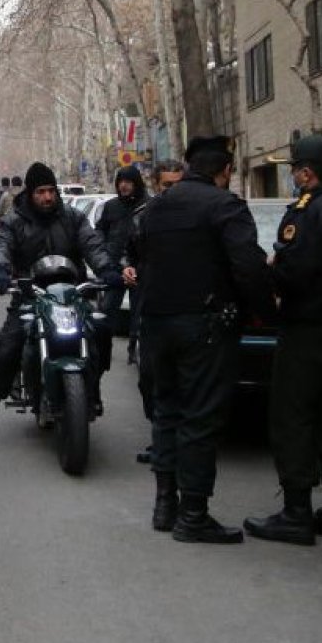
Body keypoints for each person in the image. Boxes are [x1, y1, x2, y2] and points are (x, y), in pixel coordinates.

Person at [126, 136, 274, 543]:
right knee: (199, 419)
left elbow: (141, 258)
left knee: (166, 412)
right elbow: (248, 266)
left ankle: (165, 506)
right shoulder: (225, 206)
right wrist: (267, 312)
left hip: (157, 325)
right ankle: (193, 514)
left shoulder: (155, 209)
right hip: (204, 327)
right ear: (225, 171)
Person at [0, 162, 116, 446]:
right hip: (31, 296)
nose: (47, 197)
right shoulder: (15, 220)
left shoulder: (73, 217)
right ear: (31, 193)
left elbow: (92, 245)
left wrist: (107, 269)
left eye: (51, 191)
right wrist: (0, 271)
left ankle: (92, 390)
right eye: (41, 192)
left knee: (100, 331)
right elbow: (2, 246)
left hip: (72, 295)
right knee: (7, 350)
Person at [244, 134, 322, 545]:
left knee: (293, 418)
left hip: (307, 332)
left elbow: (293, 271)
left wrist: (272, 270)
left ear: (307, 174)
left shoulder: (308, 212)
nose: (294, 178)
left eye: (295, 171)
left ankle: (296, 512)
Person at [123, 159, 187, 463]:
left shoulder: (198, 216)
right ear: (156, 185)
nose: (171, 192)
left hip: (190, 311)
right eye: (166, 186)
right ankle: (161, 440)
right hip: (151, 308)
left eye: (178, 185)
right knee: (149, 376)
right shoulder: (142, 217)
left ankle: (179, 446)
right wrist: (127, 268)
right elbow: (129, 253)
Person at [96, 165, 150, 367]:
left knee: (138, 313)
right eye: (121, 182)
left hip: (139, 268)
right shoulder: (111, 206)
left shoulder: (147, 206)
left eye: (128, 182)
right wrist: (104, 251)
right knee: (107, 310)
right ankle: (103, 348)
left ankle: (134, 350)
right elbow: (100, 231)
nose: (124, 186)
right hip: (114, 268)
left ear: (136, 183)